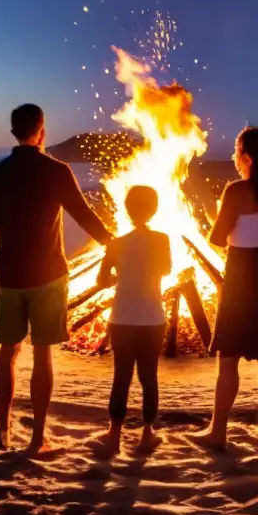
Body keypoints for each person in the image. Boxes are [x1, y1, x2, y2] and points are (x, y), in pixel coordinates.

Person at [0, 104, 113, 454]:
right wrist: (114, 244)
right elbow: (83, 215)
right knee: (42, 354)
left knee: (8, 352)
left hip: (11, 274)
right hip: (49, 273)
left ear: (13, 132)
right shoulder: (56, 171)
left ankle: (4, 430)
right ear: (42, 131)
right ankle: (38, 438)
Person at [191, 127, 258, 451]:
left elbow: (216, 237)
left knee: (229, 356)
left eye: (237, 152)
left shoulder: (236, 190)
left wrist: (214, 212)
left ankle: (217, 432)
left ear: (248, 156)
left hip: (242, 271)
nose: (234, 158)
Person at [94, 185, 172, 456]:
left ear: (126, 209)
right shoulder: (162, 239)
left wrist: (118, 275)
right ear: (154, 209)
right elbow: (166, 269)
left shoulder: (116, 243)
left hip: (123, 317)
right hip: (152, 317)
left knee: (121, 375)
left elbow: (102, 281)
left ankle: (114, 433)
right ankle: (147, 434)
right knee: (148, 376)